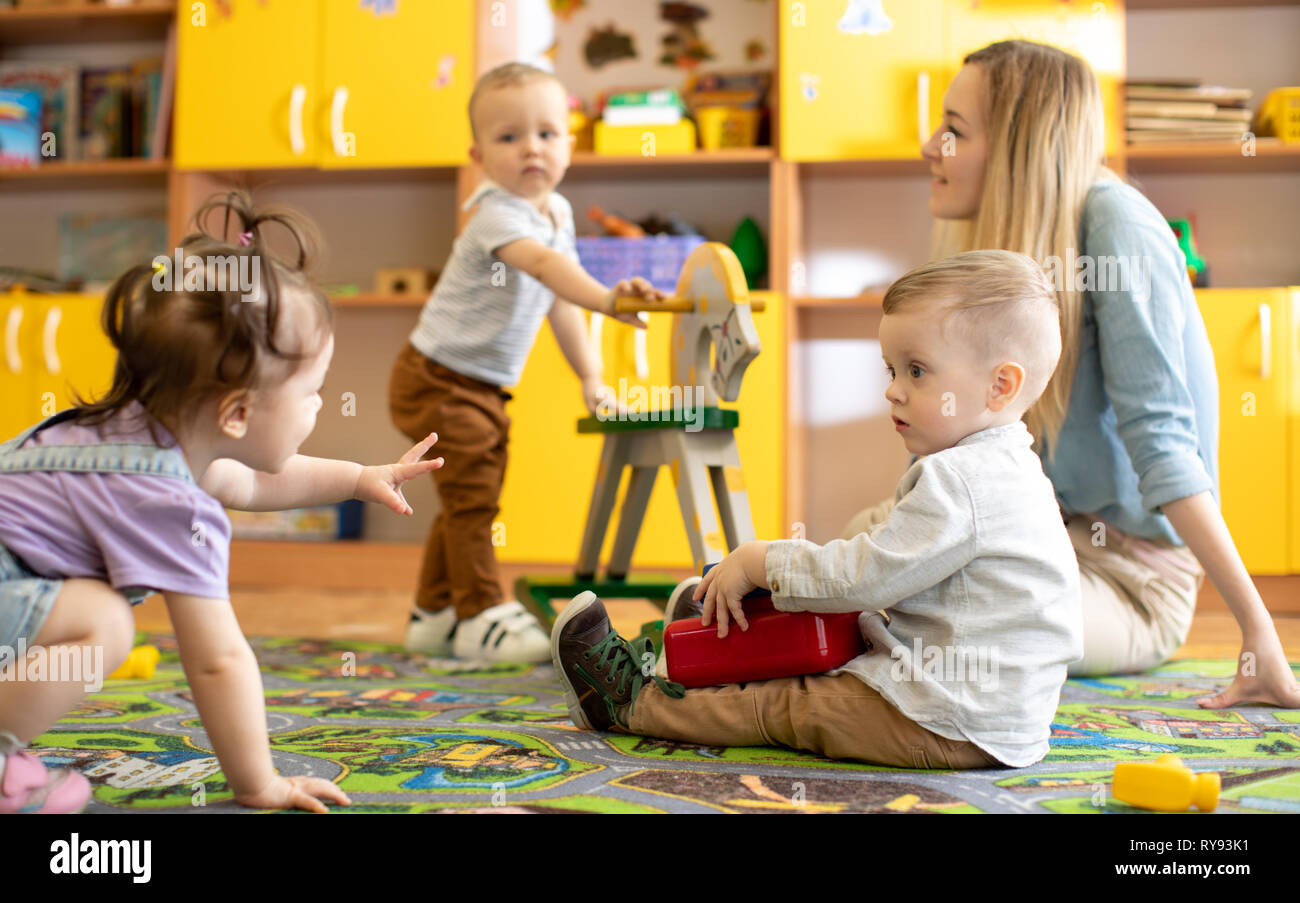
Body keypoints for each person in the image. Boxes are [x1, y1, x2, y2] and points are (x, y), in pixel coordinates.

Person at [845, 39, 1299, 709]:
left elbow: (1165, 446)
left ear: (1019, 146)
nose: (928, 144)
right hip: (1043, 535)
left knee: (930, 606)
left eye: (954, 130)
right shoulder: (1021, 245)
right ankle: (717, 617)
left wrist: (1259, 632)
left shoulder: (1117, 227)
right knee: (860, 556)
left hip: (1132, 581)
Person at [550, 250, 1083, 770]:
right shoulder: (1013, 468)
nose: (892, 391)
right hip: (988, 713)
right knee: (841, 628)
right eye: (891, 369)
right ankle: (717, 629)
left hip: (945, 716)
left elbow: (865, 576)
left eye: (916, 371)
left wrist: (764, 562)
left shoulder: (958, 478)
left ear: (1000, 385)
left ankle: (627, 704)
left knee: (790, 702)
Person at [0, 193, 442, 813]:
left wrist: (359, 476)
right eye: (313, 392)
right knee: (103, 622)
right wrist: (259, 784)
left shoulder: (143, 436)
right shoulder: (166, 500)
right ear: (236, 414)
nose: (320, 406)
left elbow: (258, 483)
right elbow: (218, 660)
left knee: (86, 614)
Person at [390, 61, 660, 663]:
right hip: (436, 377)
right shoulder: (495, 213)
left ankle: (432, 612)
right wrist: (610, 298)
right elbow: (545, 269)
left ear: (568, 141)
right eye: (509, 137)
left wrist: (591, 377)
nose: (530, 149)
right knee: (475, 495)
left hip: (479, 384)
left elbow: (557, 299)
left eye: (546, 133)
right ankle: (481, 608)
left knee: (467, 492)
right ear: (479, 154)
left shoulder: (557, 213)